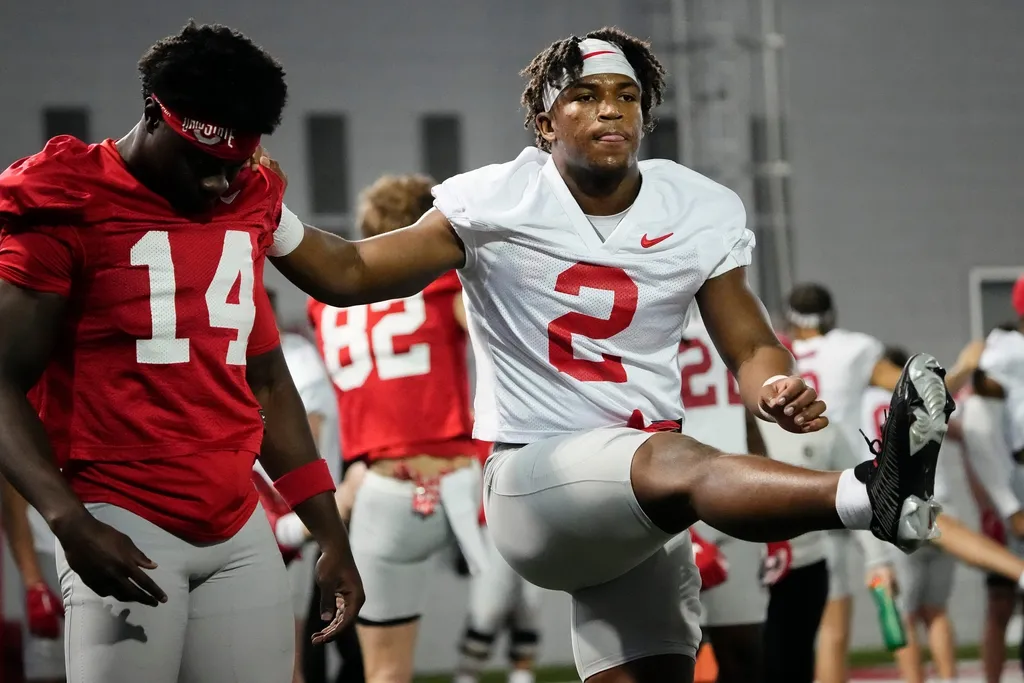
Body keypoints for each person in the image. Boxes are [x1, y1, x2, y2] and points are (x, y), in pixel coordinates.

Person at [260, 28, 954, 683]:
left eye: (626, 95)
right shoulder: (499, 197)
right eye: (584, 95)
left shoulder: (694, 205)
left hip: (638, 504)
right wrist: (272, 212)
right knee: (671, 456)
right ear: (544, 121)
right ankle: (868, 493)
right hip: (537, 478)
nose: (610, 109)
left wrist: (775, 386)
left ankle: (867, 495)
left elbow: (749, 344)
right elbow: (349, 273)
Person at [0, 22, 362, 683]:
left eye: (235, 166)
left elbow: (267, 383)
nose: (221, 185)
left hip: (237, 518)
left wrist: (328, 529)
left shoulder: (248, 198)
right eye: (203, 161)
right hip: (119, 514)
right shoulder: (67, 197)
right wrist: (67, 517)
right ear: (152, 114)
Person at [304, 174, 485, 683]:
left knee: (384, 671)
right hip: (466, 483)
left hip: (384, 487)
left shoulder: (323, 307)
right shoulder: (441, 286)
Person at [784, 283, 978, 683]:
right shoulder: (853, 349)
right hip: (845, 489)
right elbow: (927, 392)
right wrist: (965, 366)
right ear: (832, 316)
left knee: (805, 629)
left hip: (782, 485)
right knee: (841, 625)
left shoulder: (776, 349)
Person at [255, 289, 343, 683]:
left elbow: (304, 437)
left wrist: (295, 516)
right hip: (275, 513)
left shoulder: (293, 356)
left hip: (290, 513)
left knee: (288, 645)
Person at [677, 306, 768, 683]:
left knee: (743, 647)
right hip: (670, 503)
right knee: (668, 649)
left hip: (734, 498)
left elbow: (746, 416)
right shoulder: (639, 312)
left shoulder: (730, 317)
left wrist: (768, 510)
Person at [453, 444, 546, 683]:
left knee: (529, 608)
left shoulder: (539, 426)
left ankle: (522, 673)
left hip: (535, 525)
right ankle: (467, 674)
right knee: (486, 610)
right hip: (492, 526)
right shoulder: (482, 427)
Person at [1, 475, 65, 683]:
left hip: (100, 554)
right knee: (49, 667)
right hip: (47, 557)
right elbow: (12, 503)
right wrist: (34, 585)